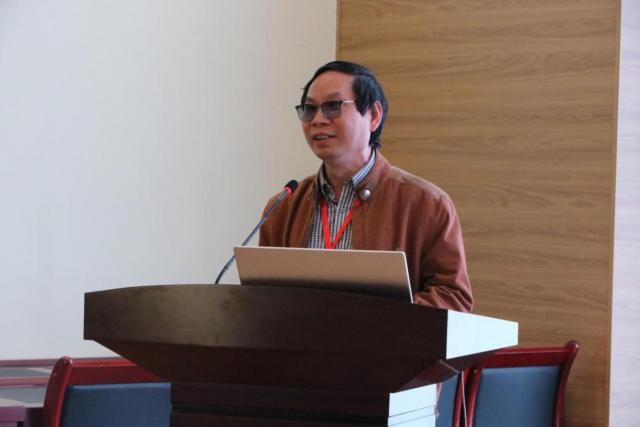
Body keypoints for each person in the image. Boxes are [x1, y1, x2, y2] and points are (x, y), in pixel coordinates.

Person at [259, 61, 473, 313]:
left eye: (333, 106)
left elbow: (453, 298)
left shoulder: (426, 204)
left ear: (373, 115)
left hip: (386, 339)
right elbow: (263, 296)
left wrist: (378, 320)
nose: (317, 119)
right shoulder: (283, 207)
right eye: (310, 109)